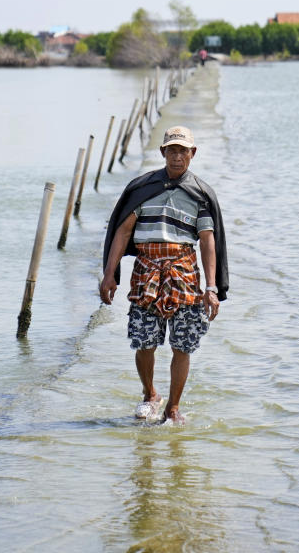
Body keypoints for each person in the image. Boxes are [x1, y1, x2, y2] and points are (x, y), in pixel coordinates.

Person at [100, 125, 228, 424]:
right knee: (144, 342)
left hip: (185, 275)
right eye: (172, 150)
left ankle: (172, 407)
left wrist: (211, 288)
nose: (177, 156)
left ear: (192, 154)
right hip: (146, 274)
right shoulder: (142, 188)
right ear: (163, 152)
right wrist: (110, 274)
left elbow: (208, 241)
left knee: (182, 345)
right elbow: (123, 232)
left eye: (183, 150)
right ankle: (150, 395)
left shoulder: (201, 195)